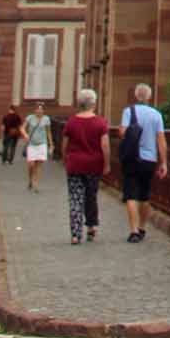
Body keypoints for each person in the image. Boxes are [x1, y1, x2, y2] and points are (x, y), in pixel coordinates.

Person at [117, 82, 167, 240]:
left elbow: (122, 133)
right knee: (144, 195)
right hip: (149, 159)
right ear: (149, 97)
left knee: (131, 194)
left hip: (132, 157)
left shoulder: (128, 111)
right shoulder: (156, 114)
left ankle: (133, 231)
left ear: (136, 96)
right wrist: (163, 162)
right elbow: (161, 140)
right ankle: (142, 227)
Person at [61, 88, 110, 244]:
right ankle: (91, 226)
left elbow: (64, 145)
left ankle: (75, 234)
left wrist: (65, 159)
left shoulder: (71, 122)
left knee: (75, 199)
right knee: (91, 196)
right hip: (94, 165)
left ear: (79, 103)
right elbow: (105, 145)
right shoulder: (100, 122)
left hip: (75, 164)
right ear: (93, 104)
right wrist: (106, 163)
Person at [20, 102, 53, 191]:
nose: (39, 111)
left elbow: (48, 132)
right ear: (34, 110)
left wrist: (51, 145)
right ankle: (30, 179)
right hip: (31, 144)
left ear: (43, 111)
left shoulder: (46, 119)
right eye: (37, 109)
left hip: (42, 144)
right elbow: (22, 128)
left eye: (41, 109)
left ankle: (36, 183)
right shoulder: (30, 118)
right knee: (31, 165)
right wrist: (25, 134)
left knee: (39, 165)